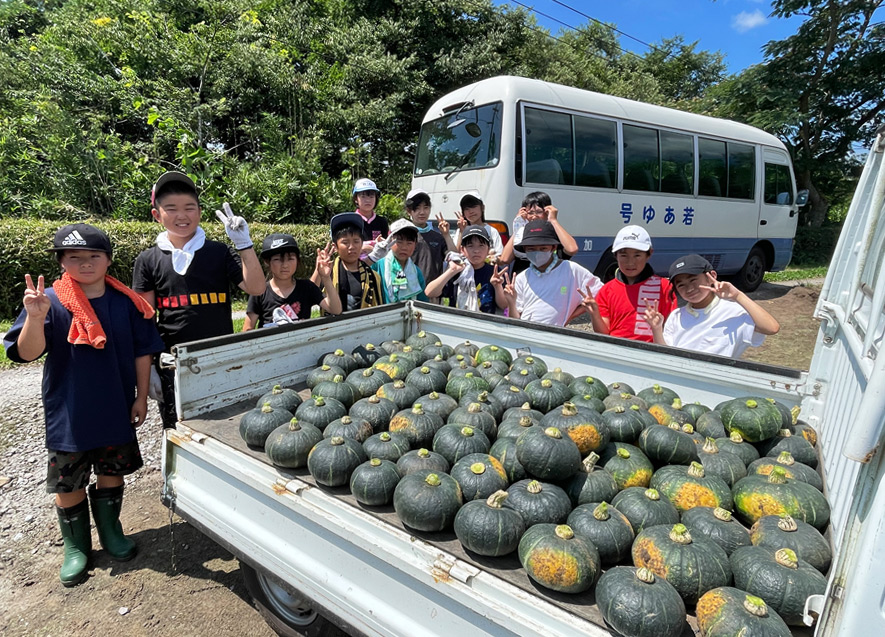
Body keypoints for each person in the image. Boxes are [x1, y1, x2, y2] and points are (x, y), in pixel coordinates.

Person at [3, 223, 165, 587]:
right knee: (67, 483)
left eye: (94, 255)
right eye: (74, 256)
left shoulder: (125, 302)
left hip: (116, 406)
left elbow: (143, 353)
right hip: (68, 413)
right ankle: (75, 548)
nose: (86, 263)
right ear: (62, 261)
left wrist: (140, 397)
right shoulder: (51, 302)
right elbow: (26, 353)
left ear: (108, 259)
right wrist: (35, 317)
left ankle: (112, 533)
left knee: (112, 470)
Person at [132, 171, 265, 428]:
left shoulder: (219, 251)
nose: (182, 215)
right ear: (156, 215)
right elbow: (144, 318)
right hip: (173, 363)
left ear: (200, 212)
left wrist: (244, 244)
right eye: (171, 208)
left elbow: (257, 288)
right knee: (178, 426)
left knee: (226, 423)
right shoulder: (148, 260)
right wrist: (148, 369)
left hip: (220, 356)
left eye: (189, 208)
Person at [643, 254, 780, 357]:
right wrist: (656, 329)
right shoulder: (676, 316)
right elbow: (665, 355)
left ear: (711, 277)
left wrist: (738, 296)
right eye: (681, 285)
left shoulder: (733, 311)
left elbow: (771, 328)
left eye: (693, 280)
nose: (689, 288)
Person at [498, 220, 602, 326]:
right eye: (531, 249)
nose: (537, 252)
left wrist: (572, 315)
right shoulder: (522, 277)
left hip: (554, 335)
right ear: (525, 249)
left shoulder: (571, 270)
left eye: (543, 248)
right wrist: (511, 302)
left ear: (553, 247)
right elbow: (515, 320)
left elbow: (600, 293)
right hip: (526, 334)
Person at [580, 225, 676, 342]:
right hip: (616, 352)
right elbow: (604, 333)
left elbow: (673, 330)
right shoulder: (607, 290)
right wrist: (594, 314)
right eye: (624, 255)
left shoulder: (664, 287)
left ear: (649, 254)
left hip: (651, 355)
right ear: (615, 255)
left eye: (637, 255)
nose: (630, 262)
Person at [243, 233, 342, 329]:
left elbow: (335, 310)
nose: (285, 265)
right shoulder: (260, 291)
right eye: (277, 259)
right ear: (267, 262)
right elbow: (248, 328)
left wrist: (325, 278)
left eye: (290, 259)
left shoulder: (307, 287)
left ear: (297, 261)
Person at [424, 225, 508, 314]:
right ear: (462, 250)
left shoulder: (495, 272)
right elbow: (429, 292)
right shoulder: (457, 270)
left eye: (481, 245)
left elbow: (504, 305)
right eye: (470, 246)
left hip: (485, 325)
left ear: (488, 249)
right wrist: (451, 271)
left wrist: (497, 286)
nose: (476, 250)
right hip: (458, 322)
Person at [312, 212, 383, 312]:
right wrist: (318, 271)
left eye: (356, 241)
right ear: (335, 247)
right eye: (345, 242)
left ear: (362, 244)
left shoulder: (373, 276)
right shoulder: (328, 272)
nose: (351, 247)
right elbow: (308, 295)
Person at [499, 191, 578, 271]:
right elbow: (505, 259)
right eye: (530, 213)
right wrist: (518, 225)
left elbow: (572, 249)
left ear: (547, 212)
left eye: (539, 212)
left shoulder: (554, 233)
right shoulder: (522, 234)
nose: (534, 216)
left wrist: (553, 220)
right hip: (523, 279)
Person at [405, 188, 456, 302]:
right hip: (408, 293)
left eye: (426, 207)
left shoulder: (437, 237)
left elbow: (454, 256)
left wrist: (446, 235)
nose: (422, 212)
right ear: (409, 211)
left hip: (433, 294)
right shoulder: (403, 236)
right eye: (417, 208)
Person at [371, 218, 428, 303]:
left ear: (415, 244)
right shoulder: (378, 266)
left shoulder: (416, 272)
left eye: (409, 243)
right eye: (399, 242)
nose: (404, 247)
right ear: (390, 241)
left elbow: (422, 301)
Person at [452, 191, 504, 259]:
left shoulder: (492, 231)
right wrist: (462, 232)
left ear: (482, 208)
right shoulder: (460, 231)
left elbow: (499, 255)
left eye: (473, 207)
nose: (471, 212)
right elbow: (455, 255)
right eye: (466, 209)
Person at [352, 178, 389, 258]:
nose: (368, 200)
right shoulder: (351, 221)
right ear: (356, 199)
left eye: (371, 196)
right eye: (363, 196)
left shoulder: (382, 222)